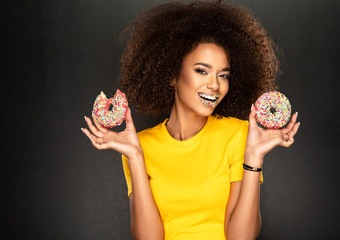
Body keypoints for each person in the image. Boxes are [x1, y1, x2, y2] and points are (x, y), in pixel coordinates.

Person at [81, 1, 300, 239]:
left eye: (223, 75)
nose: (215, 85)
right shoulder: (138, 145)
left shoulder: (239, 135)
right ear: (172, 75)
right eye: (202, 71)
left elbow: (241, 237)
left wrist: (254, 158)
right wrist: (135, 156)